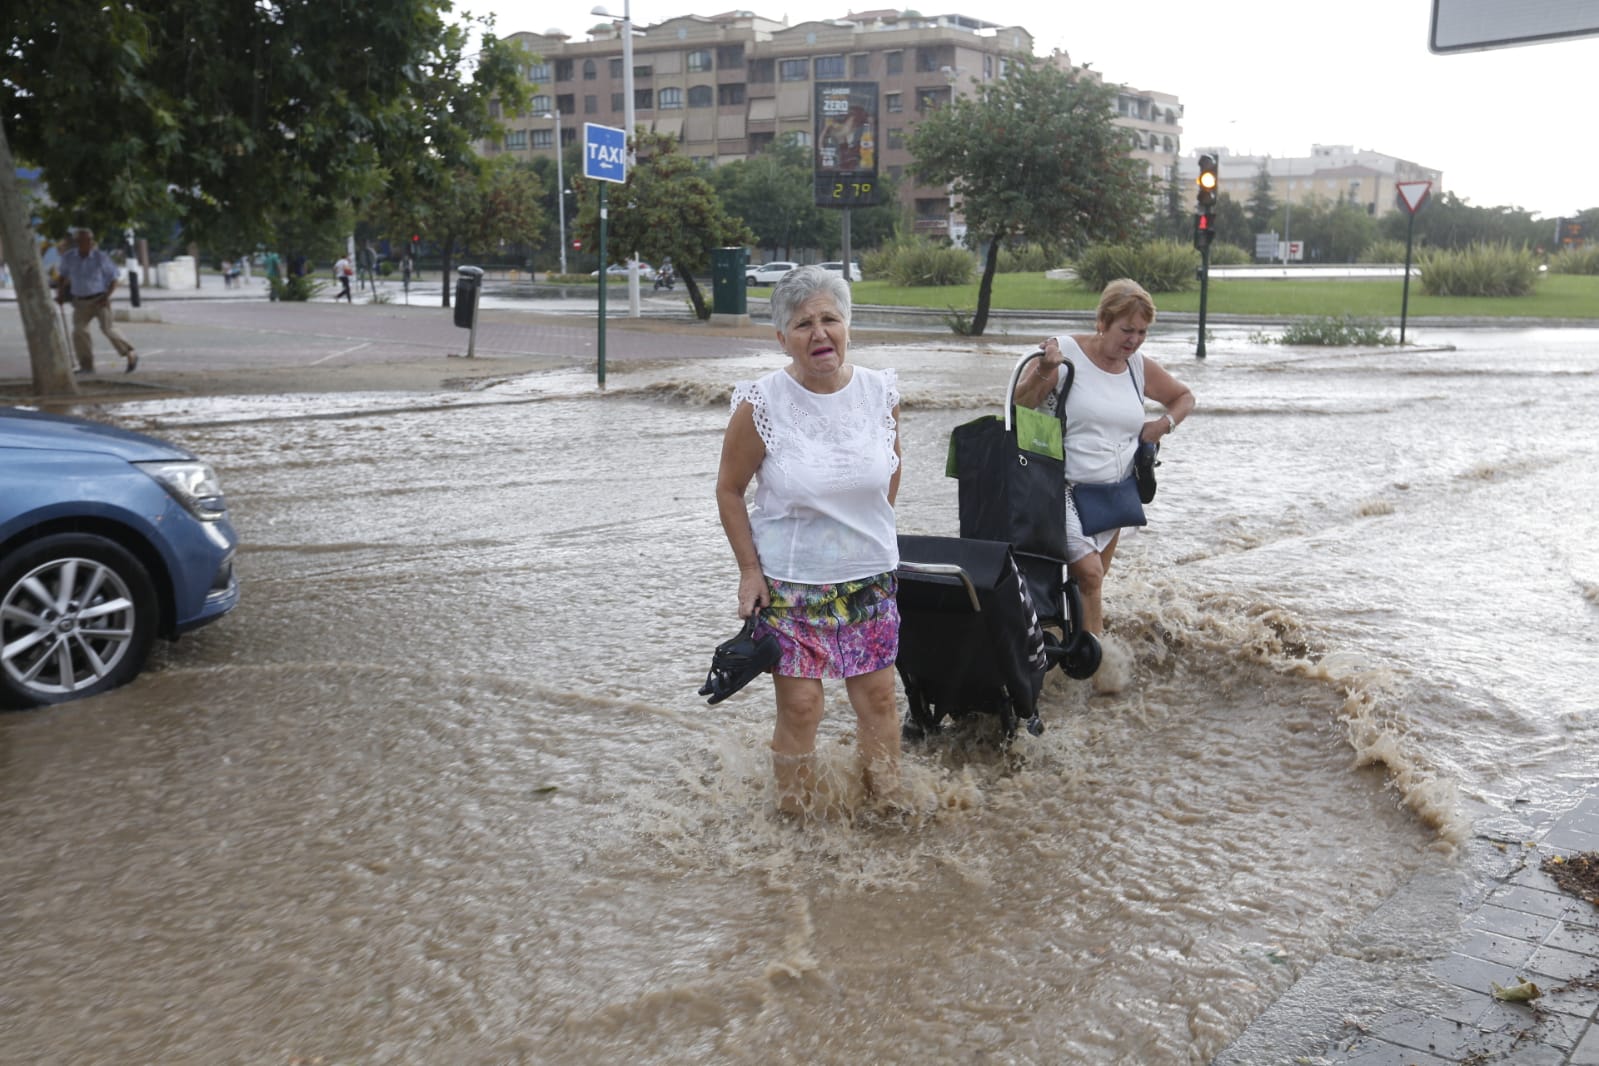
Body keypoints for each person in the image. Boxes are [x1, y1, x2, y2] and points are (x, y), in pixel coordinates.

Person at [714, 265, 904, 816]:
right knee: (801, 707)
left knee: (879, 698)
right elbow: (729, 490)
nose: (820, 333)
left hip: (869, 579)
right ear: (782, 338)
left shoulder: (880, 392)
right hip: (791, 585)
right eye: (803, 324)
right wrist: (749, 571)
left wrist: (867, 535)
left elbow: (891, 470)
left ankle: (887, 804)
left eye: (830, 319)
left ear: (848, 326)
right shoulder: (762, 404)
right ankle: (793, 817)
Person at [1011, 278, 1194, 640]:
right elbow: (1019, 405)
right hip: (1059, 489)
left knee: (1090, 585)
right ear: (1102, 322)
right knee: (1091, 575)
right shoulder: (1064, 353)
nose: (1134, 340)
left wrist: (1162, 426)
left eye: (1142, 332)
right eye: (1127, 330)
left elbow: (1184, 397)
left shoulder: (1137, 366)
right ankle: (1096, 660)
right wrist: (1045, 370)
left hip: (1113, 495)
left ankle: (1072, 650)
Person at [55, 227, 137, 374]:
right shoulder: (69, 257)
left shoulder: (101, 257)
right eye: (82, 240)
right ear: (77, 242)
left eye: (89, 240)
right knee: (79, 332)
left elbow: (114, 279)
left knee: (108, 329)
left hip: (100, 299)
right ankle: (86, 366)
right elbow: (62, 276)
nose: (87, 243)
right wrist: (60, 294)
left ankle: (130, 353)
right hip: (80, 301)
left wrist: (107, 296)